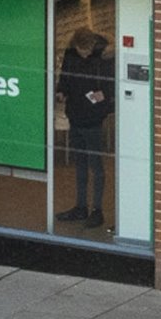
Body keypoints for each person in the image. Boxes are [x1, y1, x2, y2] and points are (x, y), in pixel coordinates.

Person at [55, 27, 115, 228]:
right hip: (76, 114)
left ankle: (96, 209)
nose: (86, 54)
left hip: (93, 117)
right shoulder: (71, 55)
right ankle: (81, 206)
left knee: (95, 165)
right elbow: (65, 77)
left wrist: (104, 96)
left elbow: (111, 83)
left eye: (88, 49)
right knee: (81, 164)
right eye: (82, 50)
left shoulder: (103, 57)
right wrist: (61, 92)